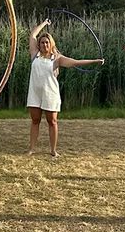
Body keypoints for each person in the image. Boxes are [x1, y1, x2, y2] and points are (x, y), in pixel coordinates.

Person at [25, 18, 105, 157]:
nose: (44, 44)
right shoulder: (34, 54)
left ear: (51, 44)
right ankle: (31, 149)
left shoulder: (57, 58)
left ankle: (53, 150)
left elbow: (75, 62)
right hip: (35, 93)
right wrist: (44, 23)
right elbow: (33, 34)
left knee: (52, 121)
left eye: (47, 42)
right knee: (35, 120)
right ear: (39, 44)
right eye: (42, 42)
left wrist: (95, 61)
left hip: (50, 94)